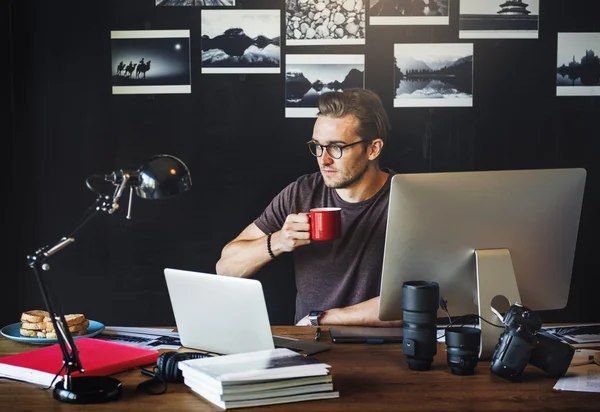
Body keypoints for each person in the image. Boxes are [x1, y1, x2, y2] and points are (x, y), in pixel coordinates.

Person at [216, 88, 402, 327]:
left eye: (336, 147)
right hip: (311, 345)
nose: (323, 160)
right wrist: (279, 241)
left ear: (373, 149)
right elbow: (226, 268)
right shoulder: (301, 193)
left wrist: (323, 319)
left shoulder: (406, 200)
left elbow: (429, 298)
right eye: (318, 146)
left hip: (381, 347)